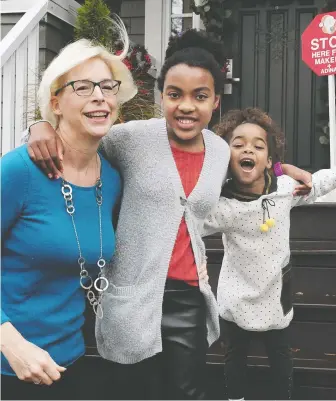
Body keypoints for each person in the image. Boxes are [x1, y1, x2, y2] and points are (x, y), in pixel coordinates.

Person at [25, 31, 311, 400]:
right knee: (132, 392)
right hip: (133, 293)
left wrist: (284, 170)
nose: (187, 106)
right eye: (175, 94)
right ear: (162, 97)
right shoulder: (131, 138)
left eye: (200, 96)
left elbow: (249, 171)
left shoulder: (220, 152)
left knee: (186, 393)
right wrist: (39, 126)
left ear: (216, 102)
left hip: (189, 298)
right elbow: (75, 141)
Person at [0, 18, 137, 400]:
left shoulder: (110, 177)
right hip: (9, 369)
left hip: (70, 364)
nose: (99, 96)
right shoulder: (17, 171)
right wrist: (11, 344)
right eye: (83, 86)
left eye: (107, 87)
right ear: (55, 103)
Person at [201, 107, 336, 400]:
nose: (247, 148)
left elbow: (318, 184)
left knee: (281, 360)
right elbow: (189, 219)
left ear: (269, 161)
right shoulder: (222, 206)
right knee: (235, 358)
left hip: (276, 297)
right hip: (235, 299)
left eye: (257, 146)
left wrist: (295, 172)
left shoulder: (285, 190)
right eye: (237, 145)